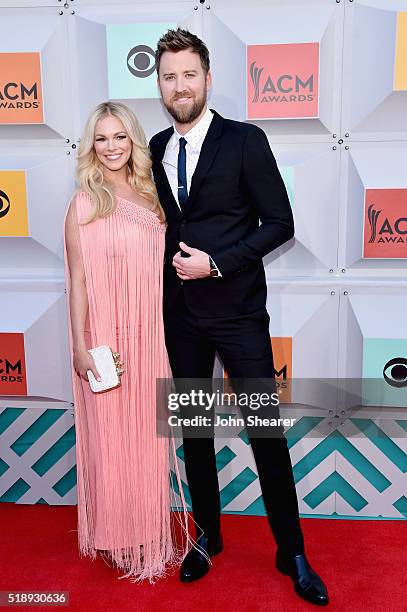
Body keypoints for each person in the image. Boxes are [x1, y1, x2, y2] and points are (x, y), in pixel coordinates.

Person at [149, 28, 329, 605]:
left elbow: (281, 224)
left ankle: (292, 550)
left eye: (189, 74)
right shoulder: (152, 146)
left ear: (207, 78)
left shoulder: (245, 140)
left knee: (265, 434)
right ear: (160, 83)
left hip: (239, 315)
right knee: (195, 432)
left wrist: (218, 265)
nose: (180, 86)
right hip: (179, 318)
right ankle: (208, 536)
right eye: (169, 76)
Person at [63, 101, 189, 583]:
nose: (112, 147)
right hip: (106, 338)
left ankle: (147, 526)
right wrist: (79, 346)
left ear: (133, 141)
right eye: (101, 138)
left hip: (148, 332)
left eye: (120, 137)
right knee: (110, 436)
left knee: (146, 434)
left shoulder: (153, 196)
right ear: (91, 147)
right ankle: (118, 534)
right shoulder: (84, 203)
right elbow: (76, 279)